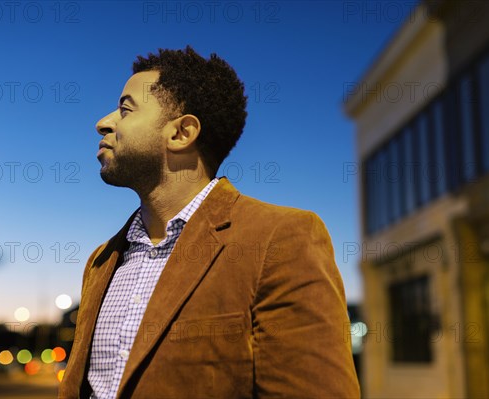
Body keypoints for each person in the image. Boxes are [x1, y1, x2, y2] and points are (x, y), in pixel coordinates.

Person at [59, 46, 360, 399]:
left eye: (126, 109)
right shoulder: (101, 260)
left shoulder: (280, 238)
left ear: (182, 133)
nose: (104, 121)